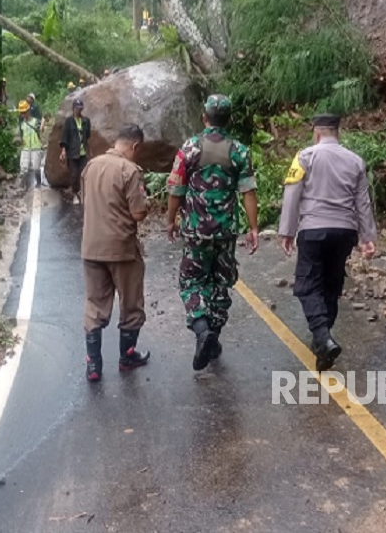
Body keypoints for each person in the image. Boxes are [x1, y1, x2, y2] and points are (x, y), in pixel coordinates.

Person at [166, 94, 260, 371]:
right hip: (226, 231)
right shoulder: (240, 151)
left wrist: (171, 220)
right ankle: (213, 338)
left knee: (191, 282)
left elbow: (176, 188)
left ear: (204, 117)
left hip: (196, 230)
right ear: (229, 120)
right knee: (220, 283)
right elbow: (248, 192)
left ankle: (201, 329)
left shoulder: (190, 148)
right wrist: (254, 228)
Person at [277, 113, 377, 371]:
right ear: (336, 132)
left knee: (307, 286)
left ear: (317, 132)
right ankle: (324, 348)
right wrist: (368, 237)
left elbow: (292, 195)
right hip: (345, 232)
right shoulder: (356, 161)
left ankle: (322, 336)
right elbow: (362, 202)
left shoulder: (304, 157)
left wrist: (286, 231)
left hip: (313, 230)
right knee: (331, 286)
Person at [81, 123, 151, 382]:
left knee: (94, 305)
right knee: (131, 304)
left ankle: (94, 365)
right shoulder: (129, 170)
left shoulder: (91, 166)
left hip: (91, 247)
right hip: (121, 249)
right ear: (134, 146)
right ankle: (127, 356)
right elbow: (137, 213)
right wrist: (146, 205)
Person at [59, 99, 92, 205]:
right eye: (77, 108)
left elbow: (87, 136)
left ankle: (82, 193)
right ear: (73, 109)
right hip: (72, 153)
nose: (79, 110)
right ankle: (74, 194)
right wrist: (63, 151)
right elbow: (64, 136)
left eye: (81, 108)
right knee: (74, 174)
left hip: (83, 152)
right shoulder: (69, 121)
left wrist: (89, 150)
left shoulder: (86, 121)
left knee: (83, 173)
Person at [17, 100, 43, 187]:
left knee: (36, 167)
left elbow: (42, 124)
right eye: (21, 113)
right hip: (26, 148)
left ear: (28, 111)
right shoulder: (22, 123)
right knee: (23, 168)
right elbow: (21, 134)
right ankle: (22, 186)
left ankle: (38, 183)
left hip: (36, 147)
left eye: (24, 112)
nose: (22, 114)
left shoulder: (36, 122)